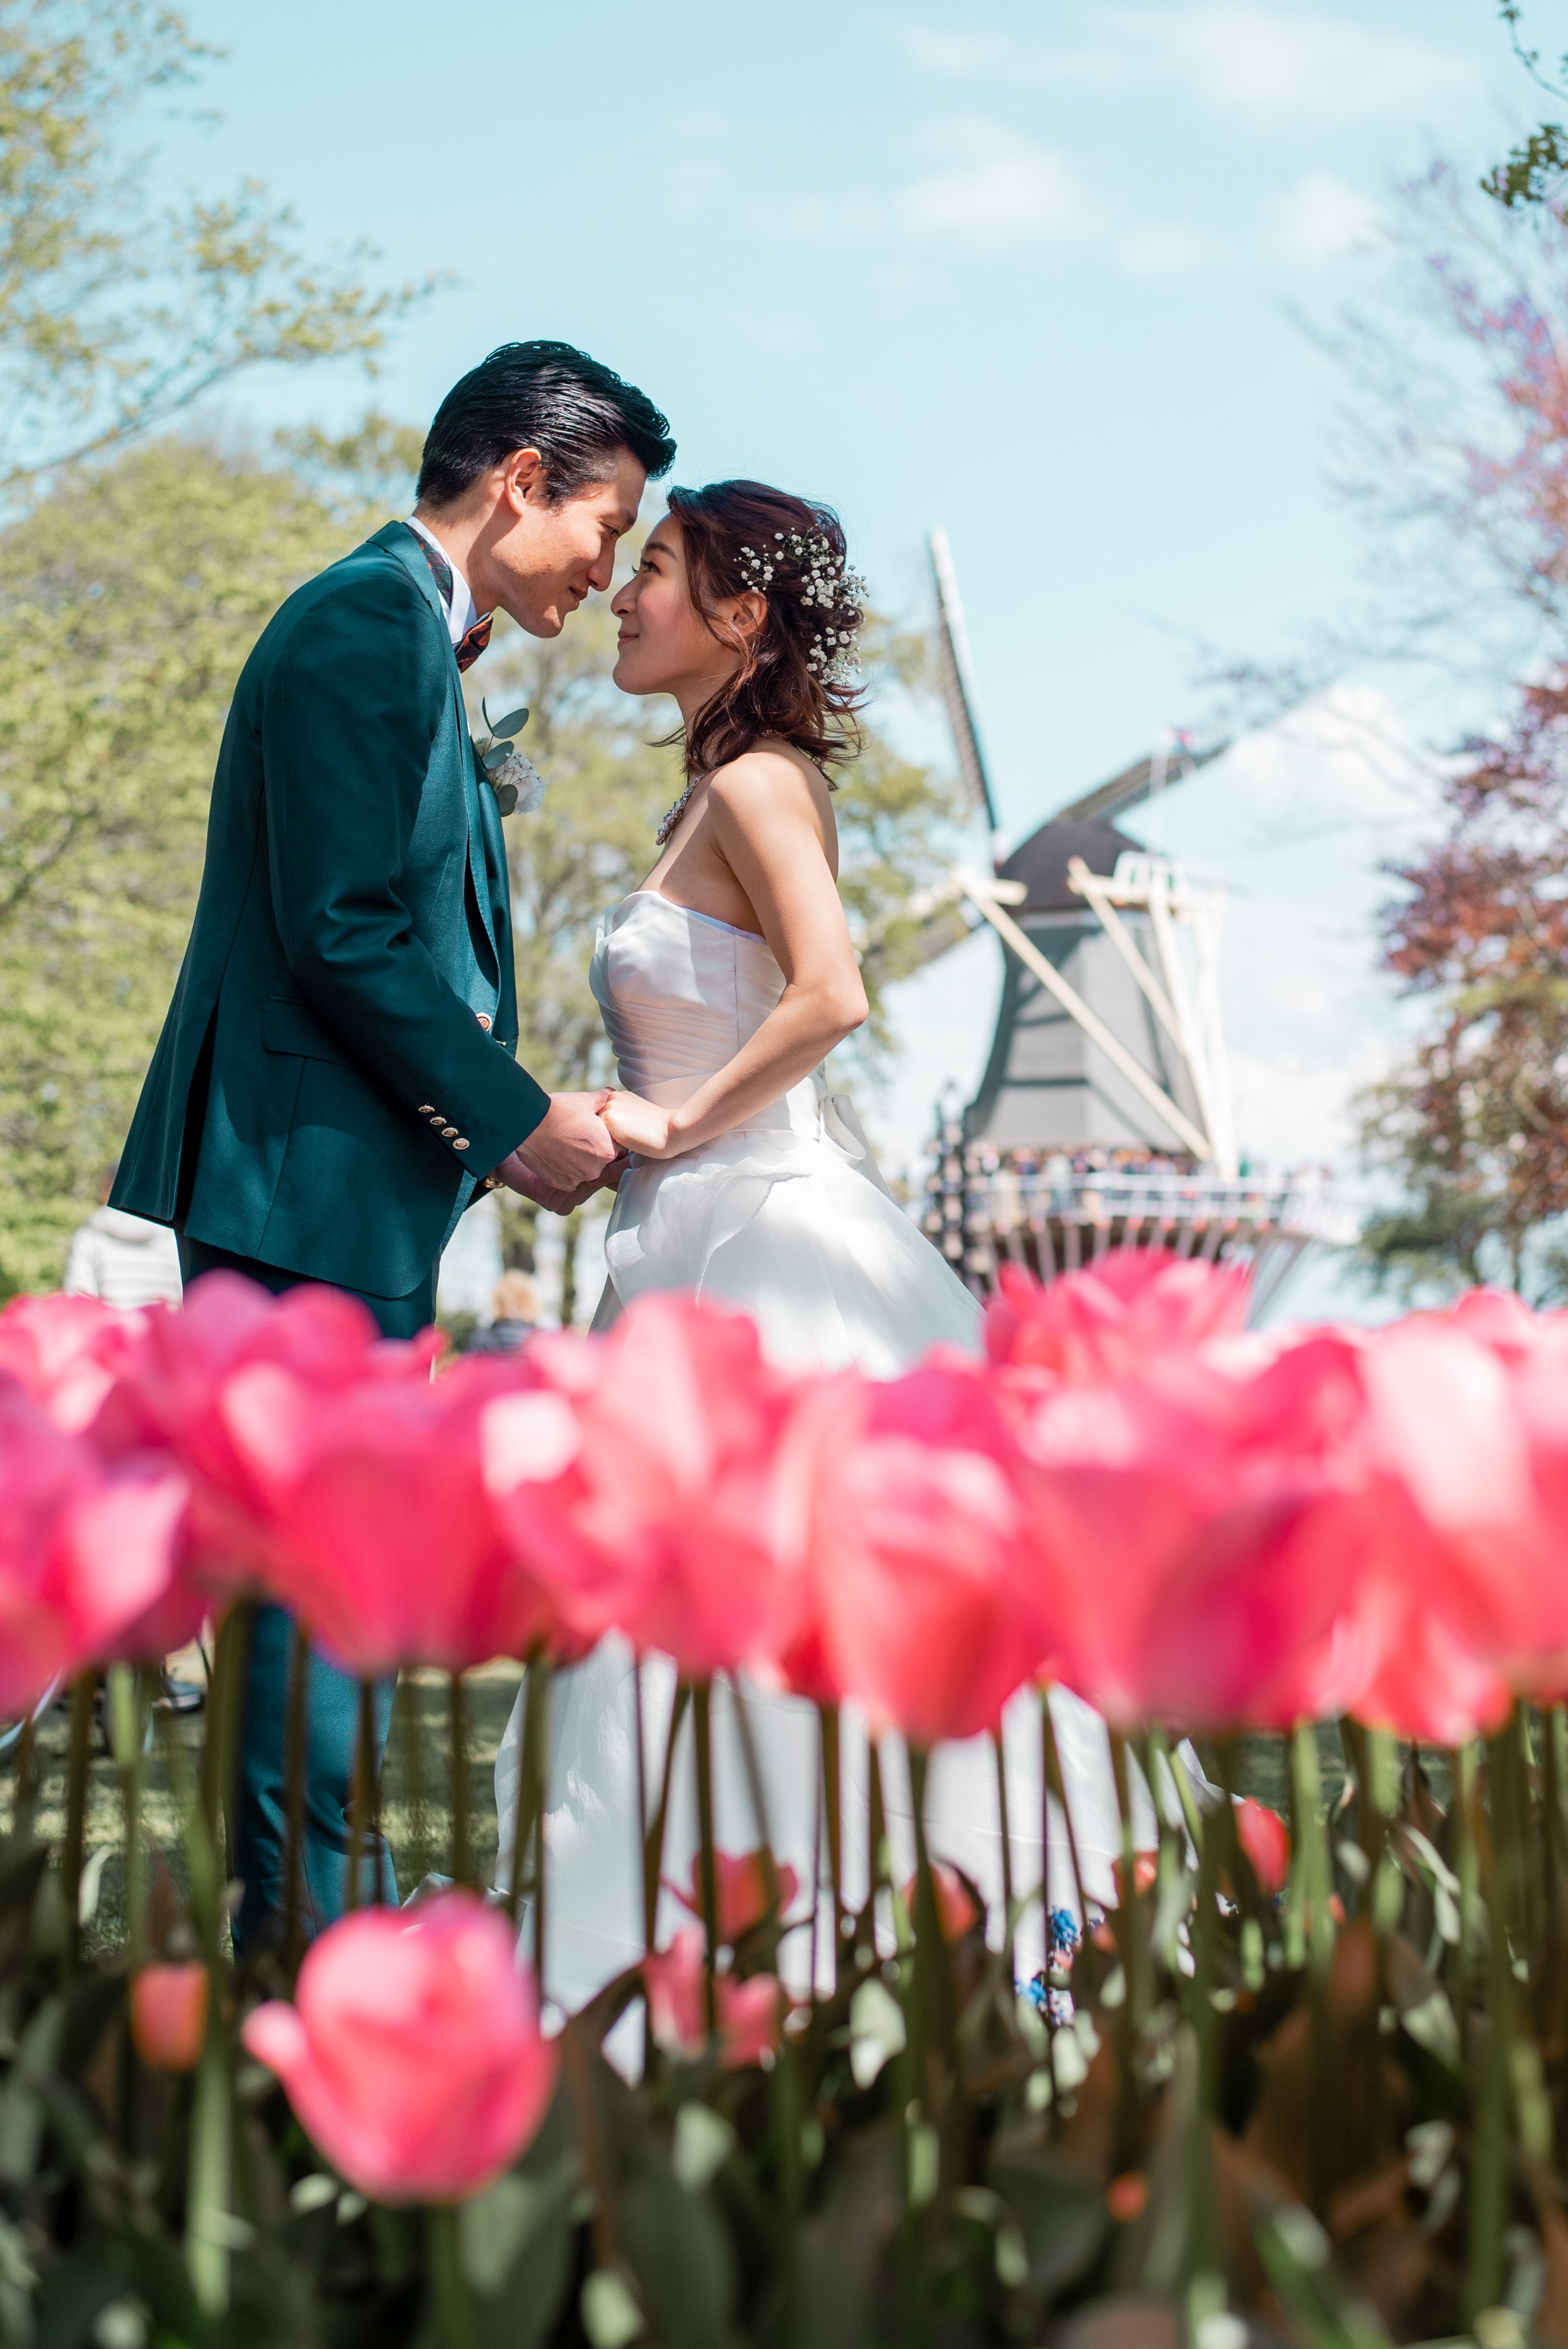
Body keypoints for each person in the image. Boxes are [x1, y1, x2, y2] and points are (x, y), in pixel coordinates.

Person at [495, 483, 1179, 2022]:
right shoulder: (717, 789)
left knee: (760, 1603)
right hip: (686, 1246)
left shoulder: (759, 787)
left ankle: (801, 1946)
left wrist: (674, 1127)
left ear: (738, 614)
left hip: (760, 1238)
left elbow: (831, 994)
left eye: (653, 569)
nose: (622, 593)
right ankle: (740, 1952)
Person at [112, 341, 672, 1951]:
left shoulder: (413, 638)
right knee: (307, 1605)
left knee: (316, 1595)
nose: (607, 566)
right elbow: (346, 933)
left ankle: (306, 1946)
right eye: (605, 525)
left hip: (333, 1191)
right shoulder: (366, 624)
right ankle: (309, 1959)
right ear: (520, 483)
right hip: (304, 1190)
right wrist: (513, 1123)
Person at [63, 1163, 183, 1309]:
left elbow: (79, 1298)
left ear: (107, 1188)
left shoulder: (89, 1236)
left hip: (112, 1329)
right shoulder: (172, 1235)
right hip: (165, 1327)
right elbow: (187, 1294)